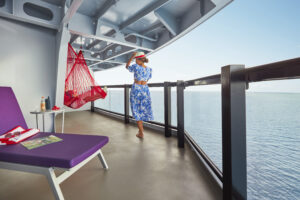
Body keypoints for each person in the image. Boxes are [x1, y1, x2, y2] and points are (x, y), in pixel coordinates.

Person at [126, 52, 154, 139]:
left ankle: (141, 132)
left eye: (135, 60)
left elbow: (127, 66)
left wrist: (131, 56)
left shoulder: (135, 66)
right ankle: (140, 131)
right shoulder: (150, 69)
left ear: (139, 60)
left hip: (136, 89)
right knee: (143, 109)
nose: (135, 61)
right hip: (145, 89)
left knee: (136, 109)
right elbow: (148, 79)